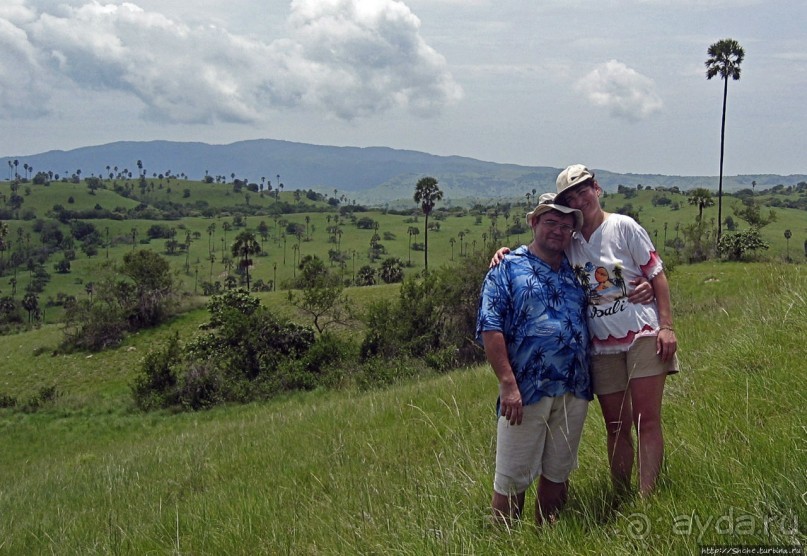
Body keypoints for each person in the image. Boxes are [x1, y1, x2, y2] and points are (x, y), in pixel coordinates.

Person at [493, 164, 678, 497]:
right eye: (571, 195)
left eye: (584, 189)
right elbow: (541, 251)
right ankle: (621, 496)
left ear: (597, 189)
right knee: (616, 426)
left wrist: (666, 326)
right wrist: (505, 255)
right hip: (603, 345)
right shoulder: (572, 242)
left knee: (645, 421)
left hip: (642, 334)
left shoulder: (624, 227)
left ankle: (647, 497)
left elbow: (658, 275)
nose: (580, 198)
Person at [476, 193, 591, 525]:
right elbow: (490, 325)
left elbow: (612, 286)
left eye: (565, 225)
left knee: (558, 472)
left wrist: (642, 288)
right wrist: (507, 384)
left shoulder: (575, 272)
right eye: (550, 222)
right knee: (512, 476)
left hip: (574, 387)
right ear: (534, 222)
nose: (557, 230)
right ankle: (504, 542)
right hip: (525, 391)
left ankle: (547, 538)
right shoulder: (507, 267)